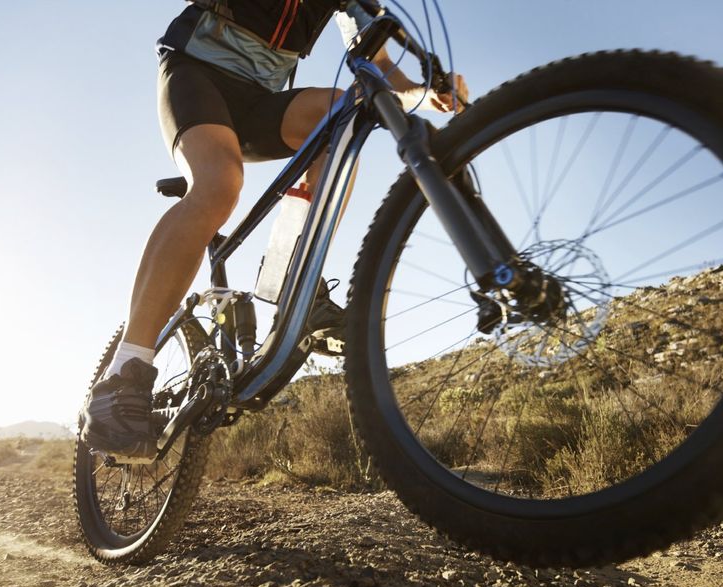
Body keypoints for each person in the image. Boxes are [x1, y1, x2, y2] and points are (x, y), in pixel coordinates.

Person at [79, 0, 468, 461]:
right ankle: (125, 372)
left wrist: (426, 90)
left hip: (260, 101)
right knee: (220, 185)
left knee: (343, 113)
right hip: (196, 74)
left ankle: (293, 281)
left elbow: (384, 73)